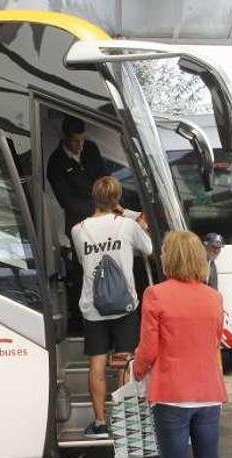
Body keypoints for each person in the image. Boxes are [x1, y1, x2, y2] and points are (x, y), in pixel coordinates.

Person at [134, 230, 228, 458]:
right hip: (209, 394)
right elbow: (214, 341)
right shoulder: (214, 297)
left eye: (164, 251)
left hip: (172, 394)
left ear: (170, 258)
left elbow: (149, 349)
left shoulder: (156, 294)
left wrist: (136, 369)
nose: (161, 255)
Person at [71, 176, 151, 438]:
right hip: (124, 305)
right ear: (117, 199)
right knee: (124, 363)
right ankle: (127, 423)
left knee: (97, 364)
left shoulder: (78, 230)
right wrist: (128, 215)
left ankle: (100, 423)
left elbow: (84, 262)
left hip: (93, 307)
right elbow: (148, 248)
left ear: (93, 198)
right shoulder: (127, 226)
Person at [47, 115, 109, 235]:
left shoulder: (91, 148)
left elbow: (105, 177)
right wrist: (96, 209)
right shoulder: (55, 163)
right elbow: (66, 201)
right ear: (64, 137)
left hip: (103, 213)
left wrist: (110, 201)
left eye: (82, 139)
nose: (80, 145)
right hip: (79, 224)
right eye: (75, 141)